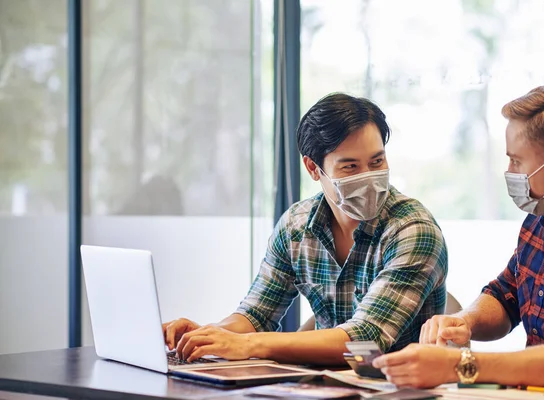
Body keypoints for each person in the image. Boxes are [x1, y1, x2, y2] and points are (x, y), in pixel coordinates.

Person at [163, 93, 448, 365]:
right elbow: (256, 315)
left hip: (398, 390)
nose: (369, 177)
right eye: (350, 167)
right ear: (313, 169)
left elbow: (365, 339)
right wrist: (206, 335)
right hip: (325, 386)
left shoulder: (413, 229)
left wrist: (249, 345)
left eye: (377, 161)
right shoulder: (296, 227)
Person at [373, 82, 544, 388]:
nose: (509, 169)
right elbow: (506, 295)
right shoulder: (540, 221)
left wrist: (459, 365)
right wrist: (465, 322)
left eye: (516, 160)